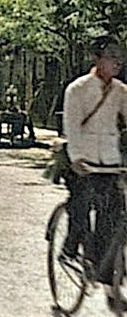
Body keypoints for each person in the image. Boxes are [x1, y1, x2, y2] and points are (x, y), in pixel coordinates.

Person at [62, 35, 127, 311]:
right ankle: (70, 249)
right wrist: (77, 159)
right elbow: (72, 127)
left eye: (120, 57)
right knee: (80, 210)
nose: (117, 62)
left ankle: (111, 285)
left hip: (109, 163)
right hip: (83, 163)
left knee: (113, 224)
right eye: (111, 57)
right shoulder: (77, 90)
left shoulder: (121, 92)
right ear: (97, 59)